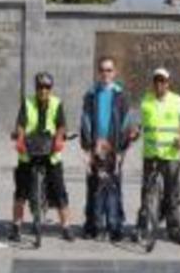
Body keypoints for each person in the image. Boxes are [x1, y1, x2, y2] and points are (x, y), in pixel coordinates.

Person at [9, 72, 74, 242]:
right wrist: (20, 139)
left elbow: (61, 126)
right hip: (29, 150)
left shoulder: (56, 103)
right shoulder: (27, 103)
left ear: (51, 89)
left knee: (60, 191)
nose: (43, 90)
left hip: (50, 150)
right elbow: (21, 124)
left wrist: (59, 139)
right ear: (36, 88)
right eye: (40, 87)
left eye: (47, 87)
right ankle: (16, 225)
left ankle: (66, 226)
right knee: (21, 192)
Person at [80, 55, 135, 241]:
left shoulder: (121, 96)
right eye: (103, 70)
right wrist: (87, 149)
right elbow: (85, 122)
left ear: (115, 72)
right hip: (95, 147)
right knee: (93, 187)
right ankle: (93, 226)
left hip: (114, 150)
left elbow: (127, 123)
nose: (106, 74)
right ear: (98, 72)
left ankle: (115, 226)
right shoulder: (91, 95)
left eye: (109, 70)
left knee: (113, 188)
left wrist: (121, 150)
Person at [136, 68, 180, 245]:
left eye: (163, 81)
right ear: (153, 83)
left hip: (170, 155)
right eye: (157, 81)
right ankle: (142, 226)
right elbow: (139, 123)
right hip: (151, 154)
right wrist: (134, 131)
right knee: (146, 192)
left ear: (168, 83)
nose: (160, 84)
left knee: (172, 195)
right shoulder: (146, 100)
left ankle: (174, 229)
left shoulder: (177, 100)